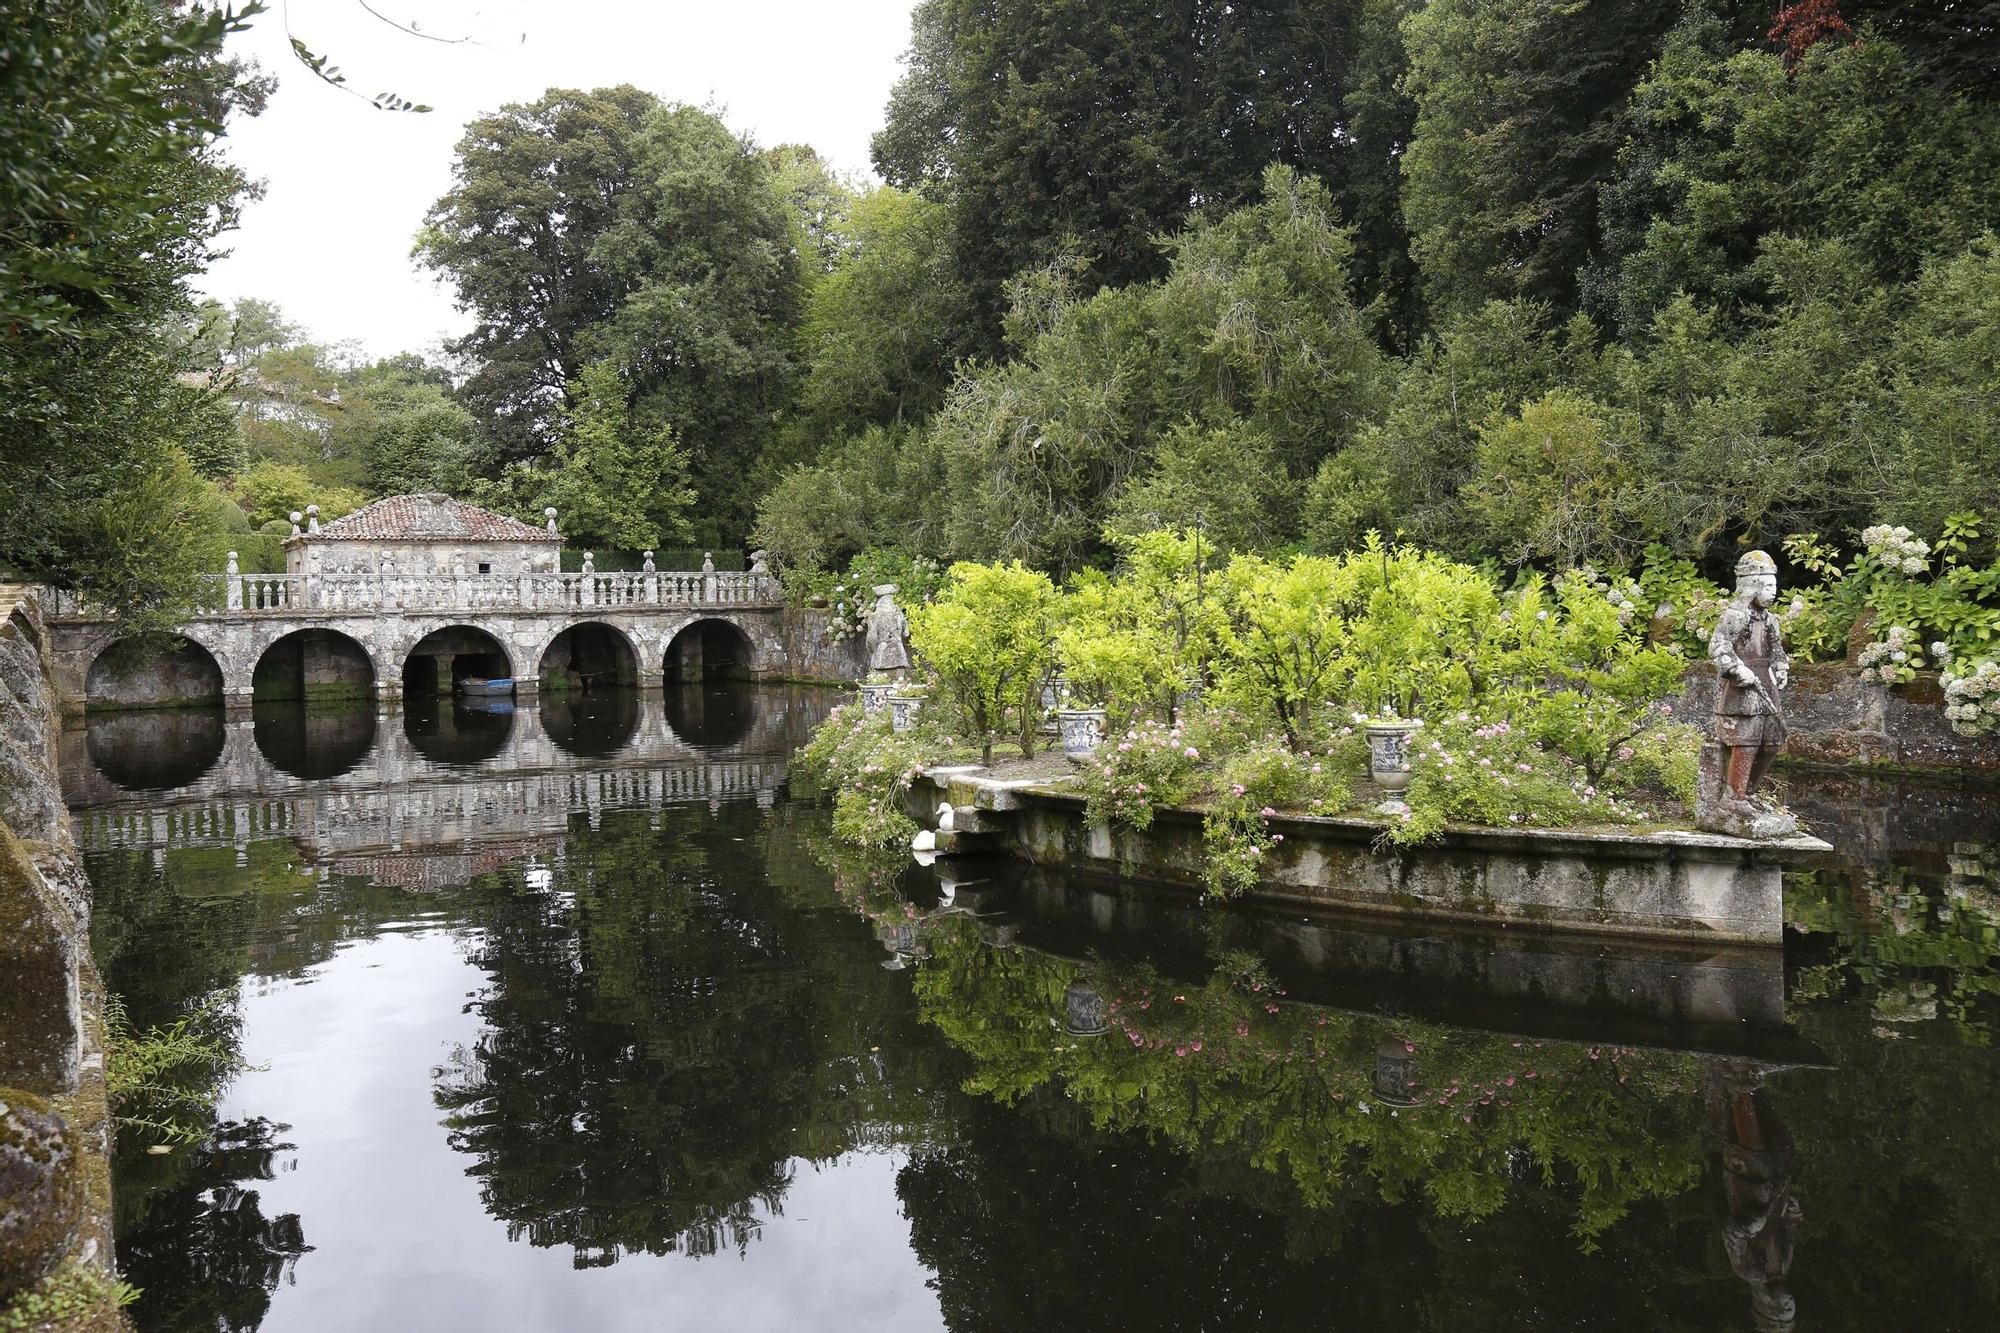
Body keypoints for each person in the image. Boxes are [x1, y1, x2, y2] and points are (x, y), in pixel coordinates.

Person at [1701, 551, 1796, 836]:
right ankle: (1733, 799)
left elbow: (1777, 651)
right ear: (1751, 585)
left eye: (1774, 587)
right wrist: (1736, 669)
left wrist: (1781, 667)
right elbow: (1718, 647)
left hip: (1765, 687)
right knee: (1746, 742)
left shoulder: (1770, 620)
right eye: (1767, 587)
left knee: (1773, 741)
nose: (1772, 593)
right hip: (1740, 691)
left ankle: (1748, 793)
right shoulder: (1735, 616)